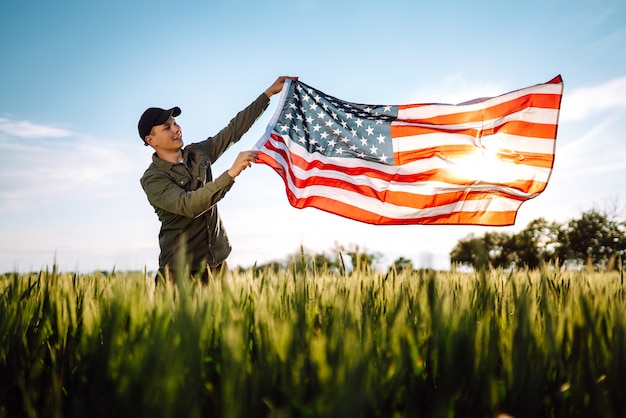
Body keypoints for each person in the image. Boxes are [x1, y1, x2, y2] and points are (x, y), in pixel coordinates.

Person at [138, 76, 296, 285]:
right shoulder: (153, 179)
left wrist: (268, 94)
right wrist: (230, 174)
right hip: (179, 274)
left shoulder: (197, 152)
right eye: (167, 128)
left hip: (217, 266)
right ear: (151, 140)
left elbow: (233, 131)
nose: (177, 129)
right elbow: (189, 205)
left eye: (175, 123)